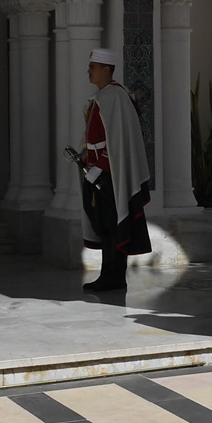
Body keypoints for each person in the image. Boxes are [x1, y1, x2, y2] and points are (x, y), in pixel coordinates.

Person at [79, 47, 153, 295]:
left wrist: (101, 167)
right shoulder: (103, 96)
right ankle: (107, 274)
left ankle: (114, 276)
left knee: (113, 226)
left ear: (106, 69)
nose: (89, 71)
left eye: (92, 67)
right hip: (99, 173)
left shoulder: (115, 97)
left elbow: (119, 142)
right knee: (105, 226)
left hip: (110, 175)